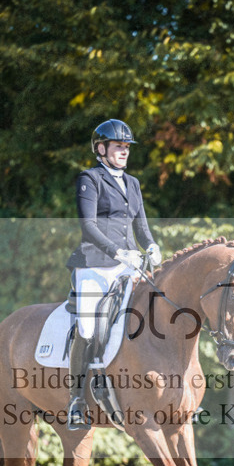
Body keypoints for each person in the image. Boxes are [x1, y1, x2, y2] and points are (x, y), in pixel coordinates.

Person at [65, 119, 162, 430]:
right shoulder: (89, 179)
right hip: (94, 265)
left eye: (126, 147)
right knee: (89, 328)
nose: (124, 151)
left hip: (127, 266)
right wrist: (118, 253)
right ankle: (76, 401)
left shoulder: (133, 183)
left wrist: (151, 245)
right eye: (118, 146)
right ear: (101, 148)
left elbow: (141, 227)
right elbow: (88, 226)